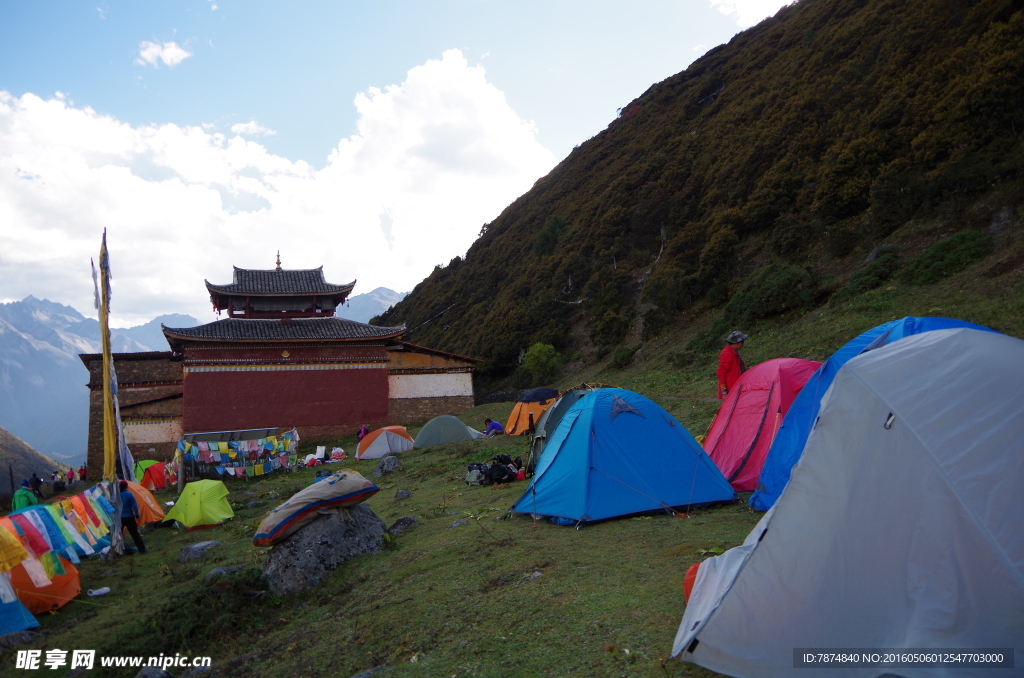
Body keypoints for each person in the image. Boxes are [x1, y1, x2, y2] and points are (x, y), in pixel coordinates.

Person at [717, 331, 748, 399]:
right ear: (737, 342)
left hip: (736, 389)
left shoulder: (733, 352)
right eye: (742, 342)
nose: (742, 344)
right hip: (731, 391)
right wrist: (724, 392)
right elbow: (721, 373)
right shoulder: (727, 353)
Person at [118, 480, 146, 554]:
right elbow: (134, 506)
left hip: (120, 518)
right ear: (126, 486)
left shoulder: (117, 495)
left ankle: (119, 551)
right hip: (129, 517)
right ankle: (142, 549)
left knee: (118, 535)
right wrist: (136, 514)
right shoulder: (129, 494)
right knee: (135, 534)